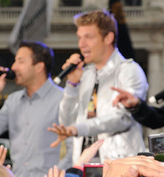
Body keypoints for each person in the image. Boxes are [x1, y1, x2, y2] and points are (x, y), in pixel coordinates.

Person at [48, 9, 148, 163]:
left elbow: (122, 118)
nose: (82, 44)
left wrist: (78, 128)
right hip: (84, 166)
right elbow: (66, 122)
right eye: (80, 37)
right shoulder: (85, 75)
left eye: (88, 37)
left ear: (108, 37)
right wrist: (72, 85)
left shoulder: (128, 70)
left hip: (120, 165)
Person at [0, 41, 65, 177]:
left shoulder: (62, 99)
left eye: (20, 61)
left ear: (39, 67)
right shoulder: (13, 101)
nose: (13, 67)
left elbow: (72, 150)